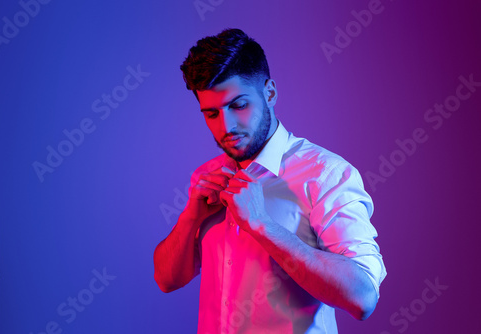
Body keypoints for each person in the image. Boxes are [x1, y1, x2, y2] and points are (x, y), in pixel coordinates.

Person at [153, 28, 386, 334]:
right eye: (211, 113)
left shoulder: (325, 174)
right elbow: (167, 280)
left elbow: (363, 298)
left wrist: (262, 225)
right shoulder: (208, 177)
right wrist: (190, 218)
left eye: (238, 105)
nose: (226, 126)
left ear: (270, 93)